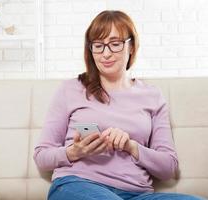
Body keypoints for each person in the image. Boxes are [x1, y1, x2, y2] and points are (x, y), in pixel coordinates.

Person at [33, 10, 204, 200]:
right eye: (98, 46)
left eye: (115, 44)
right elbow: (41, 156)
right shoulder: (70, 89)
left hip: (136, 194)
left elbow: (168, 167)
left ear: (131, 47)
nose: (106, 54)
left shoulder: (152, 96)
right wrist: (74, 152)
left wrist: (131, 146)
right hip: (77, 184)